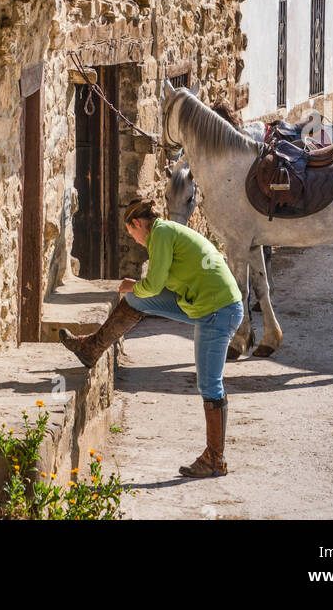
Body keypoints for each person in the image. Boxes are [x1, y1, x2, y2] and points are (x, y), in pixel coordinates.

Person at [60, 198, 244, 478]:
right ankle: (90, 349)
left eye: (131, 235)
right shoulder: (165, 232)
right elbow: (153, 288)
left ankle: (214, 459)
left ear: (136, 224)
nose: (135, 242)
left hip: (218, 310)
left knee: (209, 383)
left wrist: (136, 285)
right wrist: (136, 288)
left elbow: (155, 285)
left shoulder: (160, 234)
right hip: (203, 303)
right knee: (137, 299)